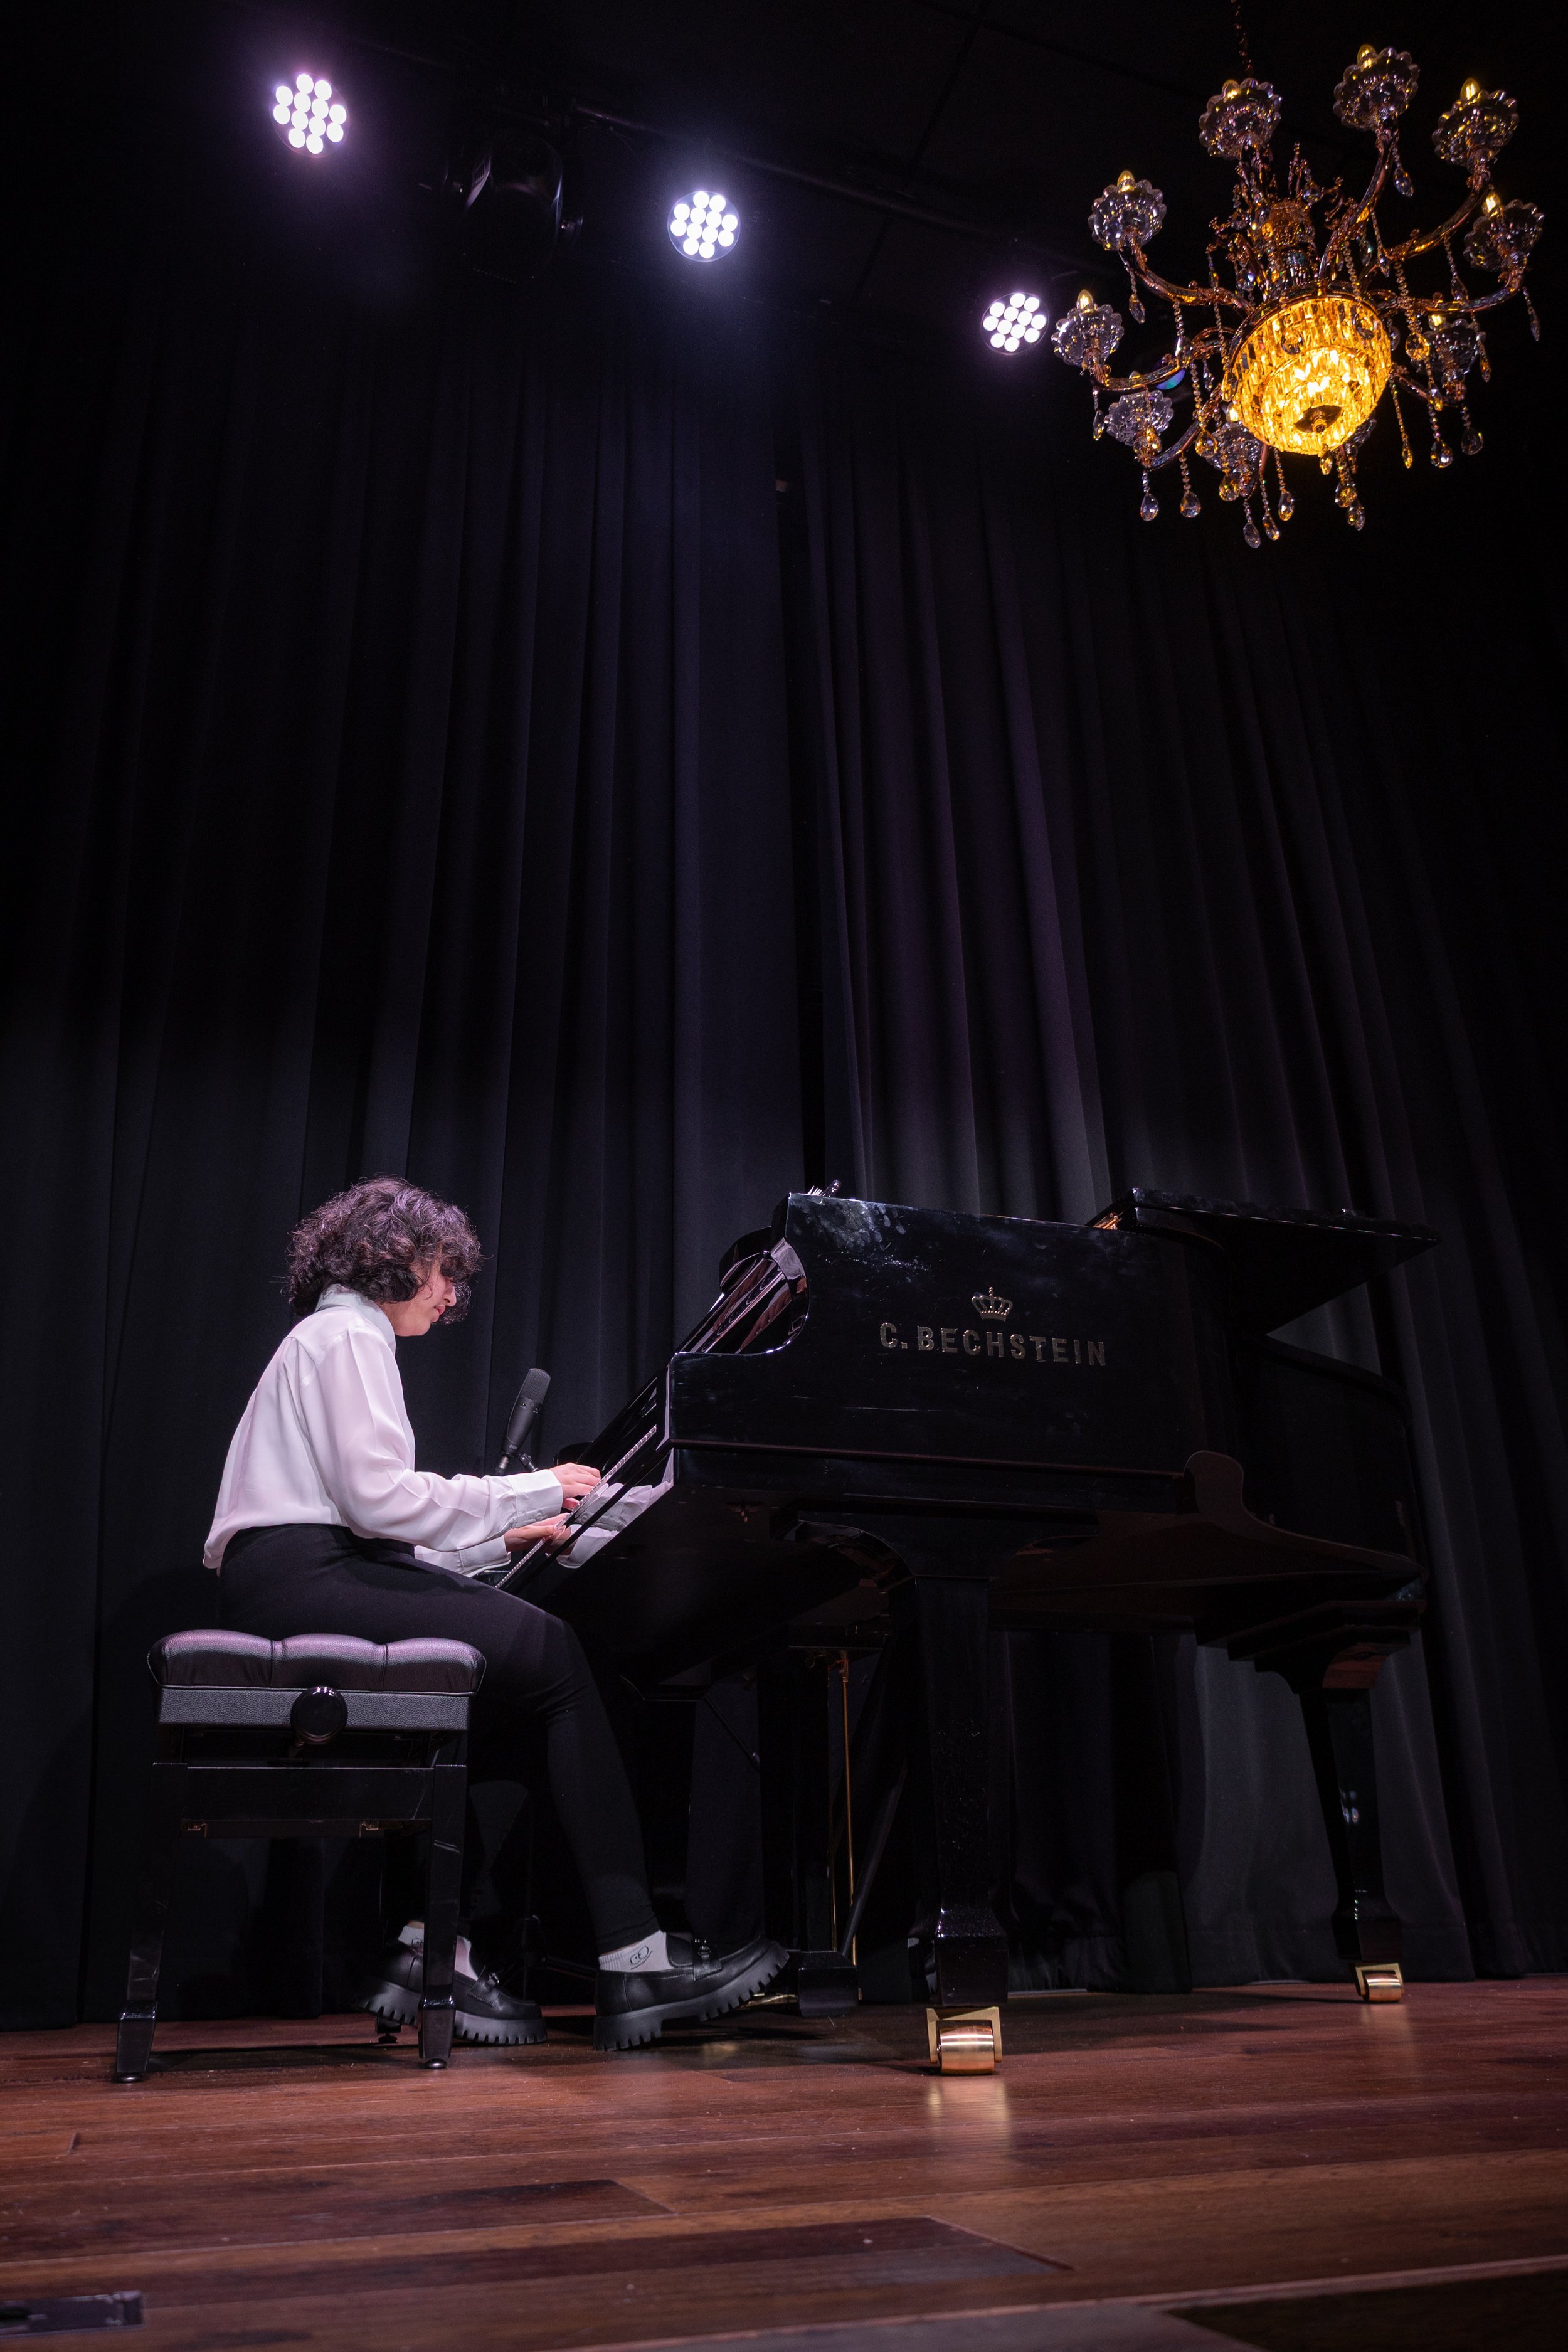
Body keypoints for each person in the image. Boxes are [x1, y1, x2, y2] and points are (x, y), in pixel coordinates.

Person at [203, 1174, 784, 2050]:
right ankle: (637, 1959)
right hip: (300, 1576)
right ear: (393, 1257)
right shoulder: (349, 1336)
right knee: (552, 1653)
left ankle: (435, 1949)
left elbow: (375, 1535)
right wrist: (537, 1488)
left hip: (295, 1573)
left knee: (500, 1702)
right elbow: (379, 1504)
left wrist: (496, 1545)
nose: (451, 1296)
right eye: (443, 1273)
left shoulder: (323, 1338)